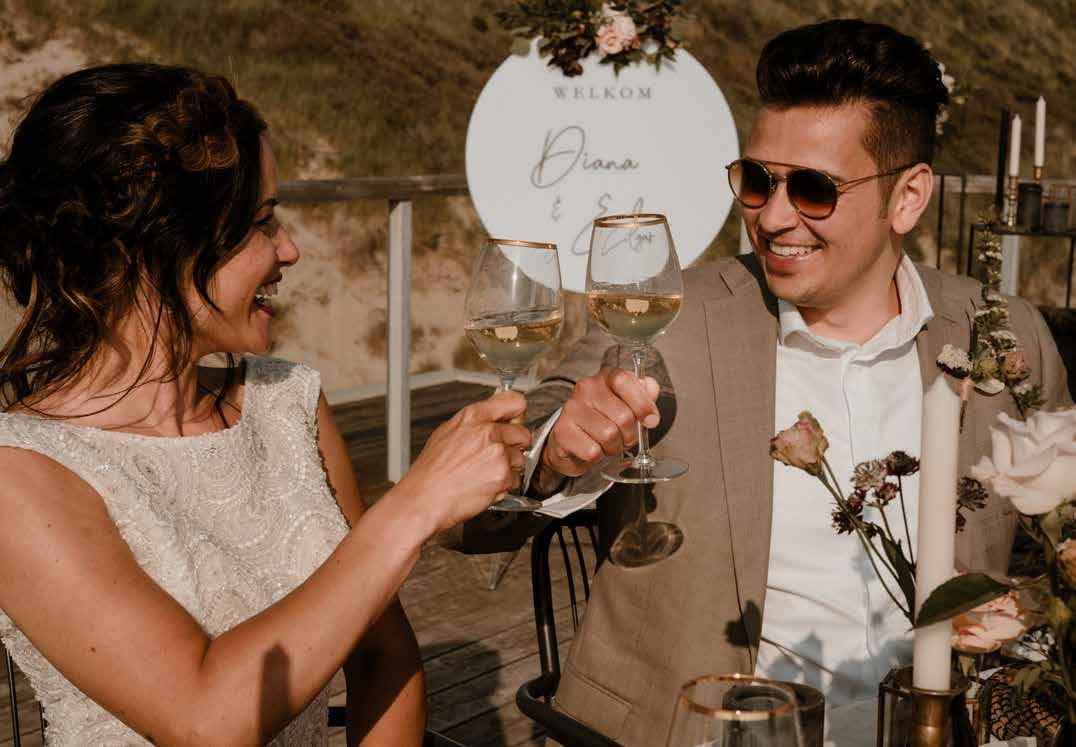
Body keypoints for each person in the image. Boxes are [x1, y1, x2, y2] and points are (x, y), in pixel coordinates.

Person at [493, 19, 1071, 746]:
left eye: (813, 190)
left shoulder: (1004, 337)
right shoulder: (670, 317)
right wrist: (553, 449)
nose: (771, 216)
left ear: (908, 197)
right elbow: (480, 500)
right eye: (758, 180)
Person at [0, 63, 531, 746]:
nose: (291, 249)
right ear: (154, 249)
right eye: (261, 223)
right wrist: (414, 506)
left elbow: (383, 655)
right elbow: (203, 718)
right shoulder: (23, 474)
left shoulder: (287, 404)